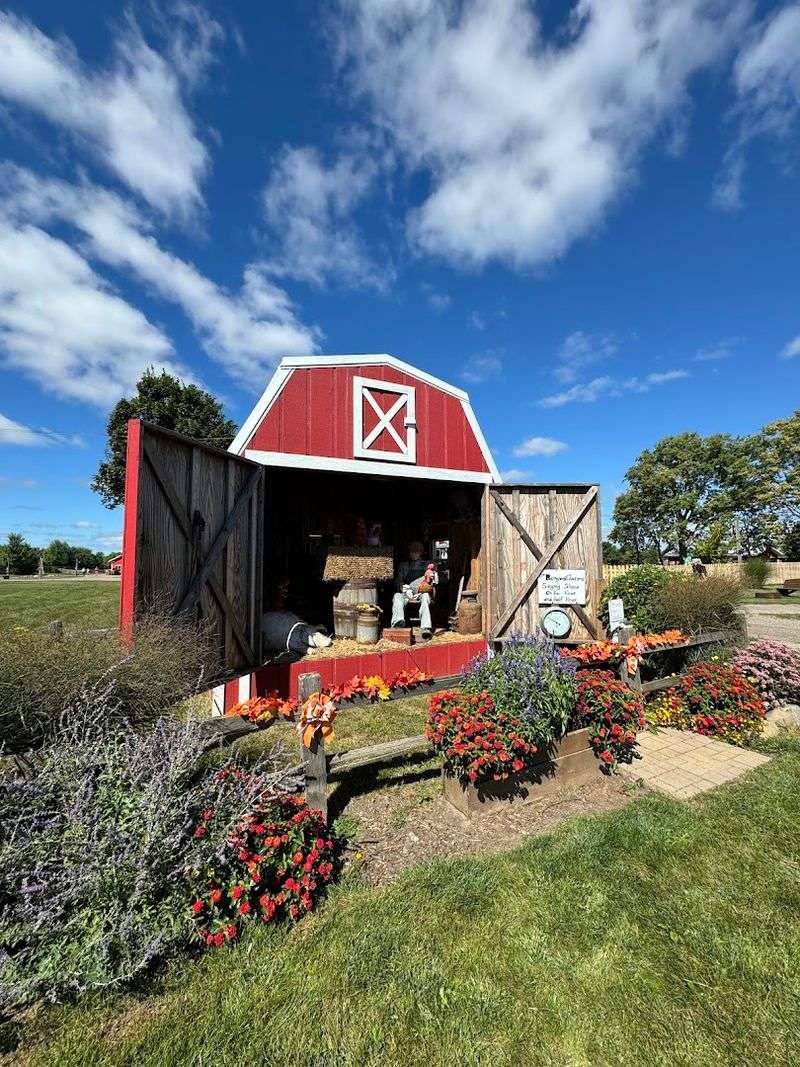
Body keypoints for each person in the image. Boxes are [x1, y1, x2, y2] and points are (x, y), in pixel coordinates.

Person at [391, 540, 437, 639]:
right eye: (411, 552)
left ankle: (426, 627)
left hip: (421, 592)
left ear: (421, 552)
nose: (413, 554)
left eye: (416, 552)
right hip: (407, 593)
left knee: (425, 598)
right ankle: (398, 622)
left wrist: (429, 582)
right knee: (397, 596)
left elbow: (433, 578)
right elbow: (398, 581)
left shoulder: (427, 565)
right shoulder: (404, 566)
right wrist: (403, 588)